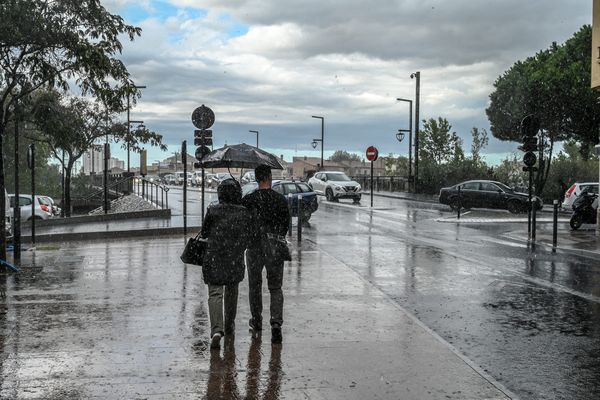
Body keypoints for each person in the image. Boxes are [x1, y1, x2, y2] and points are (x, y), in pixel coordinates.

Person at [242, 165, 291, 343]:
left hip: (254, 247)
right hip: (275, 246)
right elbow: (286, 224)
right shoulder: (280, 200)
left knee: (255, 285)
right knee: (275, 287)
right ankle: (276, 323)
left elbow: (244, 224)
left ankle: (256, 321)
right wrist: (277, 238)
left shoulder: (248, 200)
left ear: (256, 178)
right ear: (269, 177)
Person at [200, 179, 252, 349]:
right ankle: (229, 325)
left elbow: (205, 232)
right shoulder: (244, 213)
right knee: (231, 291)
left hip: (214, 256)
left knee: (215, 293)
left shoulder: (213, 210)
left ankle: (216, 329)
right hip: (234, 257)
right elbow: (248, 235)